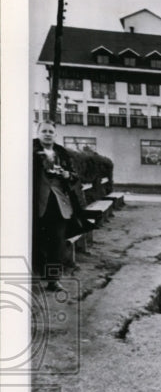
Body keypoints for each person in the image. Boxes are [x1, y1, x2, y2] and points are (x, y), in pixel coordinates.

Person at [33, 121, 82, 291]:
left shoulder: (62, 153)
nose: (47, 134)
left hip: (59, 204)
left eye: (51, 131)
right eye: (44, 131)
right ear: (38, 133)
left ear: (55, 134)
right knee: (37, 241)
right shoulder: (29, 150)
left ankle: (53, 280)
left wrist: (67, 174)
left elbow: (75, 176)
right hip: (36, 204)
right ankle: (34, 277)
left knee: (57, 242)